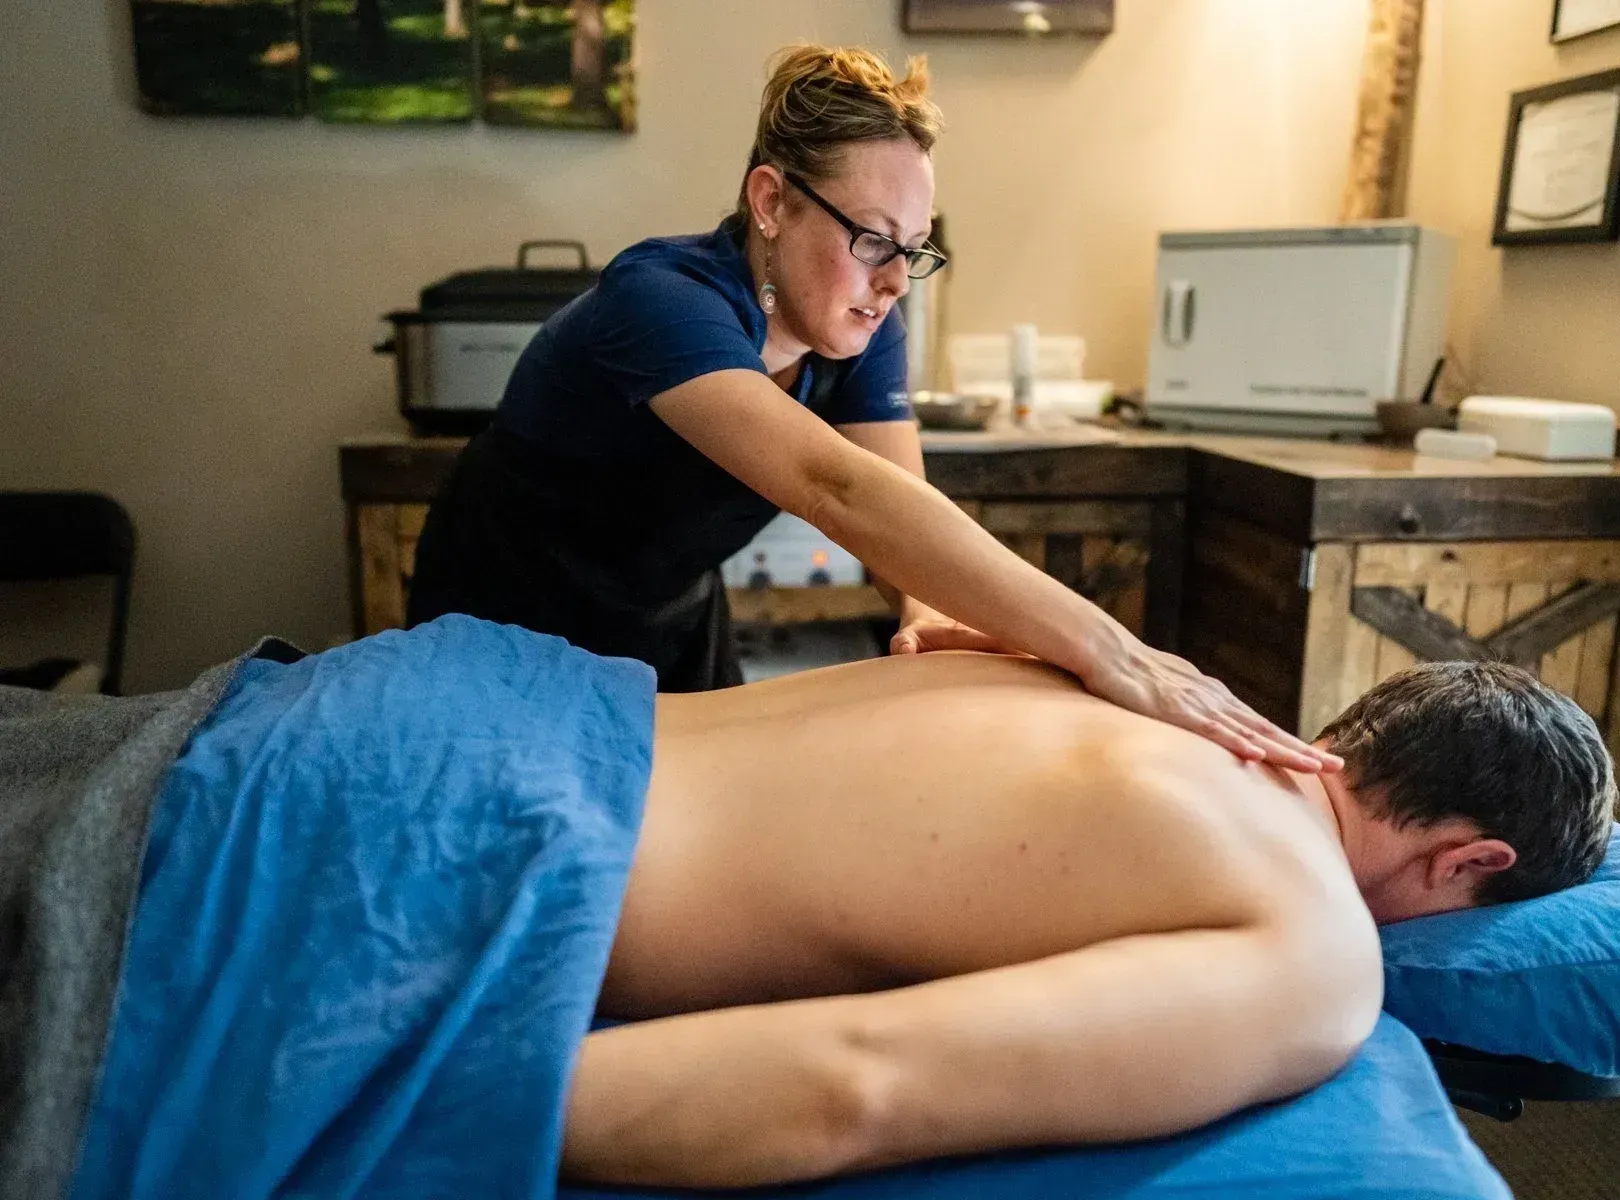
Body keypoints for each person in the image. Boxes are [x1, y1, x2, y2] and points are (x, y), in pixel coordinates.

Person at [405, 44, 1334, 773]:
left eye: (916, 249)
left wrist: (924, 612)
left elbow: (899, 512)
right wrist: (1114, 651)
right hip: (507, 609)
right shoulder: (661, 300)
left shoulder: (853, 320)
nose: (894, 281)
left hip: (670, 613)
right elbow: (833, 486)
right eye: (870, 240)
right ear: (771, 201)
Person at [560, 652, 1617, 1188]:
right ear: (1471, 862)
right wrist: (417, 1099)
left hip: (510, 688)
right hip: (496, 852)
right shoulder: (1320, 949)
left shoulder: (1149, 677)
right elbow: (854, 1086)